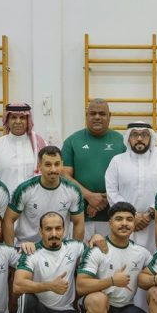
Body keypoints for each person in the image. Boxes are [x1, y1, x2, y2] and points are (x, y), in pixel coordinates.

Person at [76, 202, 157, 313]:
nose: (124, 223)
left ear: (134, 224)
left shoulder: (142, 253)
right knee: (98, 299)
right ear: (110, 223)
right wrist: (112, 281)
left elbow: (153, 274)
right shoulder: (97, 249)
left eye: (129, 219)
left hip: (124, 307)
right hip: (98, 305)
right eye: (119, 219)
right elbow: (81, 285)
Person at [14, 213, 94, 313]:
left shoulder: (75, 246)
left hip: (64, 312)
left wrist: (97, 239)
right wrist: (50, 286)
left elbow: (95, 251)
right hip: (39, 312)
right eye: (48, 229)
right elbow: (18, 285)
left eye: (58, 228)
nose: (54, 233)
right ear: (41, 231)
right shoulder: (31, 252)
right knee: (25, 298)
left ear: (64, 230)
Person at [61, 98, 126, 236]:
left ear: (109, 116)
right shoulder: (72, 141)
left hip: (115, 217)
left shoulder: (122, 142)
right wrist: (89, 196)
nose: (97, 117)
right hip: (79, 216)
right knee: (80, 250)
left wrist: (105, 199)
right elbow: (64, 176)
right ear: (86, 116)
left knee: (110, 250)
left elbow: (128, 177)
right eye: (93, 113)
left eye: (102, 114)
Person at [103, 122, 157, 252]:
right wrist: (132, 216)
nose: (139, 138)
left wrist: (149, 214)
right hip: (126, 224)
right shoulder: (117, 161)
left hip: (155, 223)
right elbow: (111, 191)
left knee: (155, 259)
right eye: (135, 135)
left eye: (144, 135)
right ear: (128, 138)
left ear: (151, 137)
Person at [4, 146, 85, 245]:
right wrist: (10, 250)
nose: (53, 169)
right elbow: (8, 220)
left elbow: (78, 223)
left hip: (59, 248)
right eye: (48, 164)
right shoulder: (24, 189)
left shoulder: (73, 190)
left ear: (62, 165)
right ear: (39, 166)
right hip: (28, 247)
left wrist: (75, 250)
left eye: (57, 164)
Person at [0, 101, 48, 193]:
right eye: (13, 117)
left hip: (33, 199)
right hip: (5, 200)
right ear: (7, 121)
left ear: (28, 121)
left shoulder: (40, 144)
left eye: (22, 118)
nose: (18, 122)